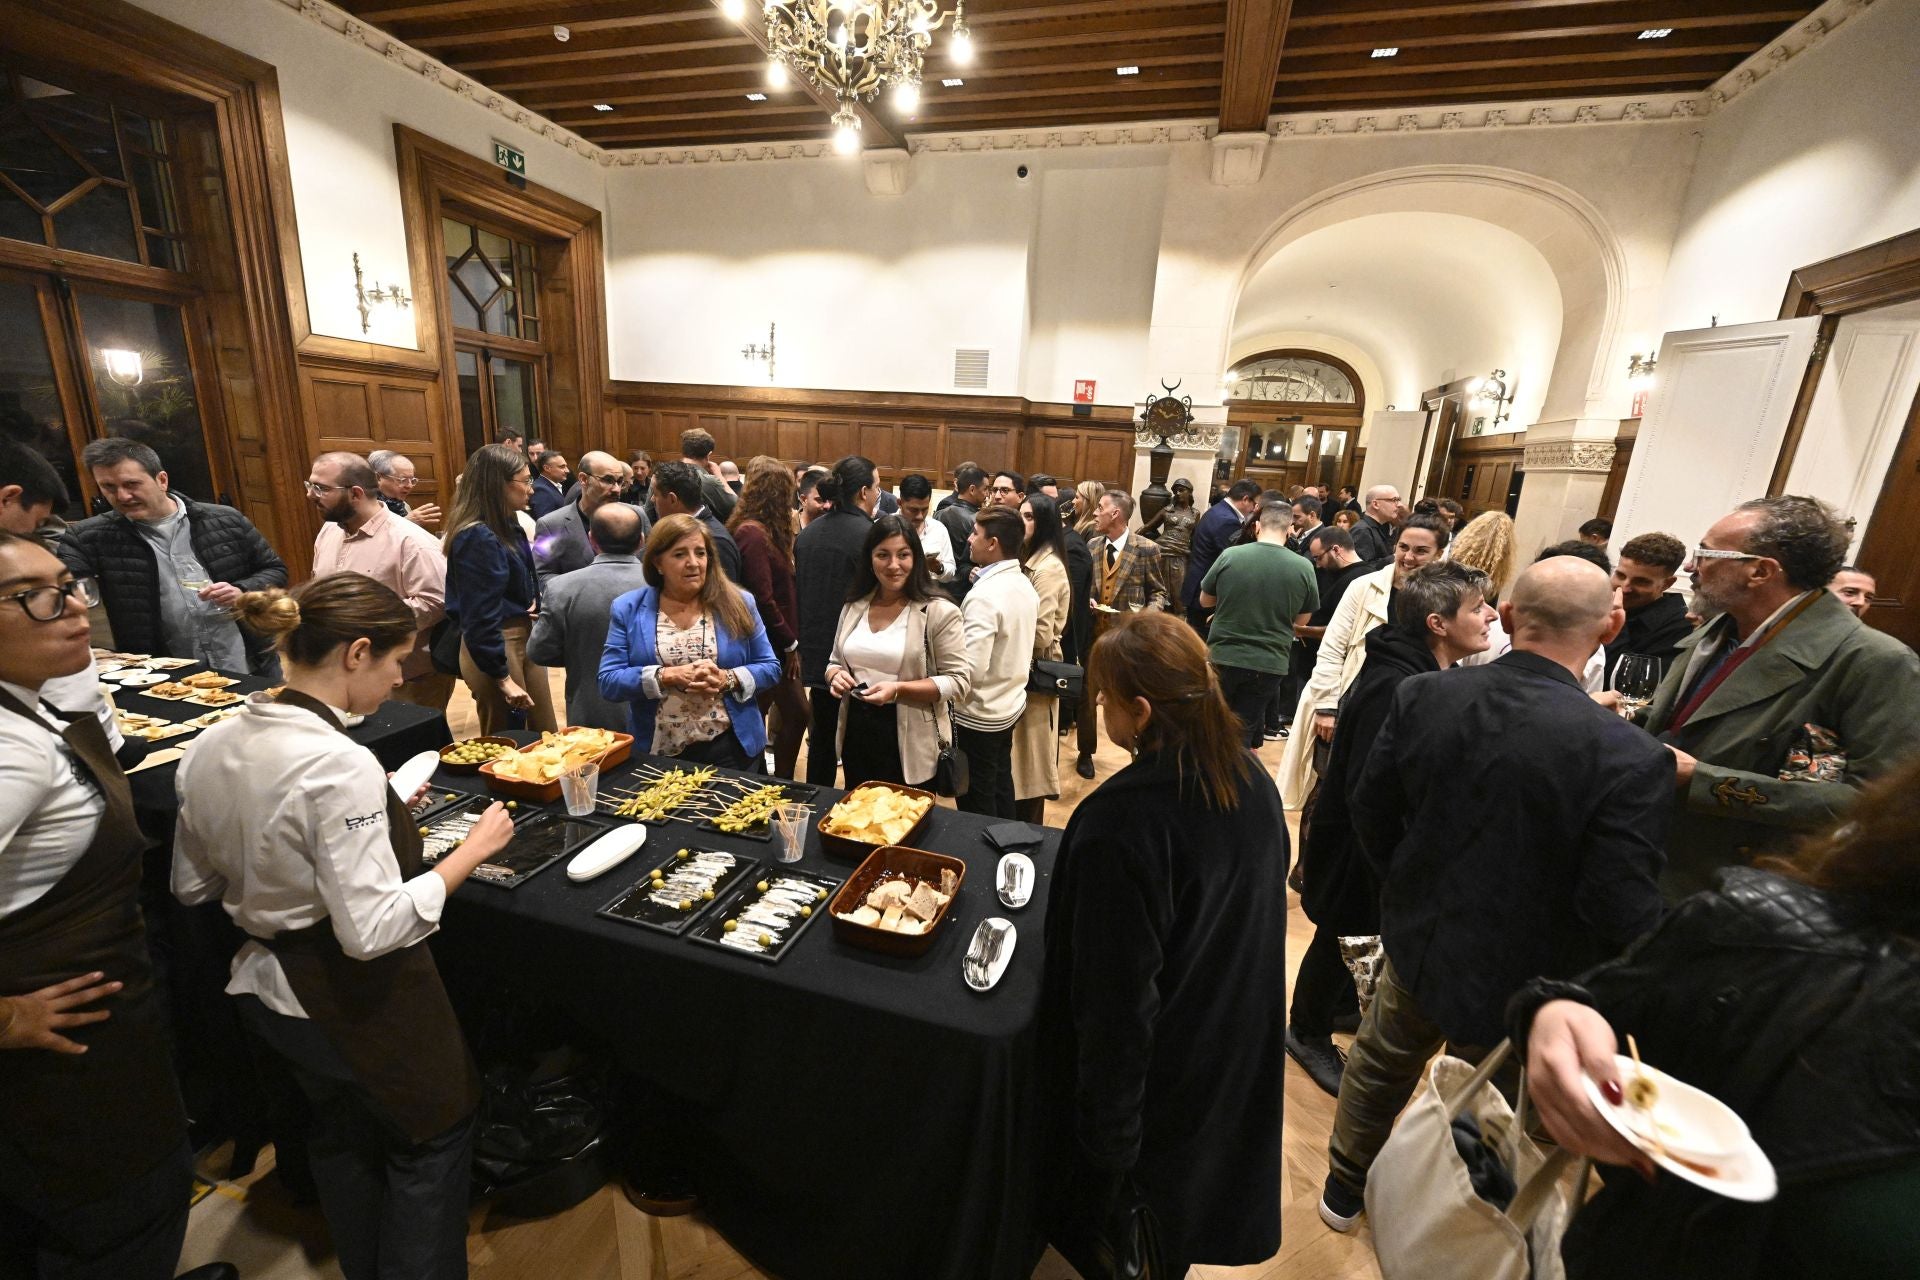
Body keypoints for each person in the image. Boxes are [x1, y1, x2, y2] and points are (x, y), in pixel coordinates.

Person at [174, 575, 515, 1280]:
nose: (400, 678)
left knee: (340, 1132)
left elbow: (191, 883)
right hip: (347, 994)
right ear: (357, 652)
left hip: (267, 995)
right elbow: (371, 929)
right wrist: (469, 853)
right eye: (397, 662)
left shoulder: (213, 743)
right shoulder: (339, 763)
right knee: (433, 1137)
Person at [1318, 556, 1672, 1233]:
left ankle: (1343, 1186)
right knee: (1494, 1107)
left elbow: (1369, 806)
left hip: (1423, 930)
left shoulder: (1424, 694)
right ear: (1612, 626)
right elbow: (1617, 904)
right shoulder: (1630, 755)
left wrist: (1407, 883)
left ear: (1508, 617)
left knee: (1380, 1061)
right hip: (1533, 971)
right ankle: (1457, 1227)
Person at [1512, 753, 1920, 1280]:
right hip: (1696, 898)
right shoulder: (1774, 938)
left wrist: (1704, 781)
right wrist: (1555, 1013)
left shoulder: (1869, 669)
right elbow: (1593, 1002)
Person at [0, 533, 238, 1280]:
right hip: (64, 1062)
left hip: (101, 1020)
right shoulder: (11, 752)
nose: (75, 609)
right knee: (125, 1216)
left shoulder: (26, 712)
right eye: (38, 596)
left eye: (72, 586)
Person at [1040, 612, 1287, 1280]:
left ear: (1141, 710)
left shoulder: (1125, 821)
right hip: (1219, 1065)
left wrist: (1106, 1150)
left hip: (1158, 1096)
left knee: (1134, 1246)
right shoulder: (1248, 777)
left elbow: (1115, 1003)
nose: (1100, 710)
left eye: (1105, 700)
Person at [1642, 495, 1920, 897]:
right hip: (1652, 860)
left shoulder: (1875, 661)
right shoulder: (1717, 632)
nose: (1690, 567)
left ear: (1760, 571)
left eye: (1705, 553)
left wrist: (1705, 781)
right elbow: (1682, 727)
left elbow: (1878, 808)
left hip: (1742, 888)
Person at [1286, 562, 1494, 1097]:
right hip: (1359, 842)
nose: (1491, 615)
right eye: (1477, 607)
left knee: (1348, 931)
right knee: (1343, 930)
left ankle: (1328, 1011)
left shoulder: (1411, 671)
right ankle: (1306, 1032)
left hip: (1365, 840)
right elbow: (1372, 786)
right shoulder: (1397, 683)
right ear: (1438, 623)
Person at [58, 437, 287, 677]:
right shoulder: (87, 537)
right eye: (109, 488)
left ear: (162, 480)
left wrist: (241, 591)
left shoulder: (225, 519)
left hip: (250, 661)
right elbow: (63, 589)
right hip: (165, 676)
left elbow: (274, 570)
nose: (123, 496)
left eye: (132, 484)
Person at [1276, 513, 1449, 808]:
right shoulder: (1364, 587)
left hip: (1412, 707)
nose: (1408, 557)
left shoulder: (1445, 597)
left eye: (1421, 551)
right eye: (1404, 547)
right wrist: (1327, 707)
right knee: (1330, 792)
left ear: (1439, 554)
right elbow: (1333, 648)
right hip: (1355, 702)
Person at [598, 514, 780, 768]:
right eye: (680, 554)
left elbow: (770, 668)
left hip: (731, 746)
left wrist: (727, 679)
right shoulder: (628, 608)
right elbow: (609, 681)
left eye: (700, 553)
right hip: (658, 752)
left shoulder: (739, 603)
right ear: (657, 563)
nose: (693, 563)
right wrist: (665, 676)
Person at [823, 516, 970, 789]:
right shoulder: (855, 605)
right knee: (859, 815)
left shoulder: (938, 611)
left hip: (911, 735)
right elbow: (834, 661)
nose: (893, 565)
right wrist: (834, 675)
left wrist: (898, 689)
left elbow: (959, 682)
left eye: (903, 555)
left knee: (905, 821)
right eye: (883, 555)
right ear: (870, 559)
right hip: (857, 728)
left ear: (916, 558)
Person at [308, 451, 452, 711]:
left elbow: (437, 602)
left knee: (409, 750)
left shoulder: (411, 541)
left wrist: (365, 620)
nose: (311, 495)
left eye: (321, 488)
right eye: (311, 486)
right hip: (340, 672)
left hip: (405, 680)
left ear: (356, 493)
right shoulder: (329, 530)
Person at [442, 443, 557, 735]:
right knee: (509, 741)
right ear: (498, 485)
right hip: (495, 643)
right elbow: (479, 616)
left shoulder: (507, 525)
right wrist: (501, 677)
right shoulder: (476, 536)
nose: (531, 489)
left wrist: (531, 600)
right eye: (525, 481)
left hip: (520, 636)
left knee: (543, 733)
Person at [1198, 502, 1318, 748]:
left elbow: (1204, 600)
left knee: (1212, 727)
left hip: (1224, 654)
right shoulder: (1303, 566)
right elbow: (1302, 621)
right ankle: (1235, 782)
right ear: (1290, 529)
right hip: (1270, 662)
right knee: (1243, 731)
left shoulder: (1231, 555)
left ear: (1256, 526)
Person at [795, 456, 881, 785]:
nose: (877, 495)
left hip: (817, 652)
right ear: (863, 491)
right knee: (859, 747)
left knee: (822, 742)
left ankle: (817, 809)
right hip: (858, 654)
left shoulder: (809, 532)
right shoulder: (870, 535)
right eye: (876, 488)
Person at [528, 504, 651, 732]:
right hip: (654, 709)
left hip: (591, 713)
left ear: (592, 540)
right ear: (642, 540)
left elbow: (539, 651)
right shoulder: (664, 586)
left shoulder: (560, 588)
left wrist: (579, 652)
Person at [1079, 489, 1172, 778]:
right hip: (1094, 638)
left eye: (1100, 508)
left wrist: (1145, 618)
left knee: (1133, 701)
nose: (1095, 513)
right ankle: (1085, 751)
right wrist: (1088, 601)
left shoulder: (1146, 548)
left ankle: (1139, 753)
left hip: (1129, 642)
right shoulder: (1092, 545)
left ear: (1115, 514)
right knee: (1087, 697)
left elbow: (1159, 593)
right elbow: (1085, 588)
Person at [953, 507, 1038, 818]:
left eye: (976, 533)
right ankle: (1006, 850)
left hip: (980, 714)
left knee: (976, 799)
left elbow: (970, 672)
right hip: (1009, 704)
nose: (969, 538)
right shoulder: (1023, 583)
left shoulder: (985, 596)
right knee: (1001, 783)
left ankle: (984, 859)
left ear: (993, 543)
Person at [728, 459, 808, 779]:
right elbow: (762, 598)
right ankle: (771, 781)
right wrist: (789, 643)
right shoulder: (752, 533)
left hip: (774, 641)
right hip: (768, 644)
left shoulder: (760, 531)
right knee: (791, 713)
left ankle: (768, 779)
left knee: (769, 712)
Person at [1013, 494, 1071, 823]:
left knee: (1030, 760)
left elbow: (1041, 635)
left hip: (1037, 672)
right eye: (1021, 515)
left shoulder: (1047, 568)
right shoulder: (1032, 559)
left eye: (1030, 517)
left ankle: (1027, 834)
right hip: (1026, 671)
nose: (1023, 522)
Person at [533, 450, 646, 586]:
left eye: (620, 482)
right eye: (608, 480)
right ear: (584, 479)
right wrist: (581, 591)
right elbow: (542, 575)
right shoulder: (551, 525)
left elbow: (651, 563)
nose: (617, 489)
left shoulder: (637, 515)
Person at [1603, 531, 1693, 684]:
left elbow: (1629, 685)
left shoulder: (1680, 628)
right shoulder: (1599, 604)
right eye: (1620, 576)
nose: (1625, 588)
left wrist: (1616, 621)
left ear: (1666, 584)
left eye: (1641, 582)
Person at [1181, 478, 1262, 630]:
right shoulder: (1227, 520)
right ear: (1245, 499)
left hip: (1198, 586)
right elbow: (1236, 558)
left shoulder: (1218, 510)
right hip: (1205, 592)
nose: (1254, 509)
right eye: (1255, 504)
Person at [650, 460, 742, 584]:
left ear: (672, 499)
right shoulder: (687, 530)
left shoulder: (716, 541)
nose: (652, 500)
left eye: (655, 494)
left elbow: (723, 598)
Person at [1140, 477, 1198, 592]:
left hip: (1181, 552)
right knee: (1158, 585)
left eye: (1181, 490)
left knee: (1178, 588)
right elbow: (1147, 527)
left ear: (1190, 492)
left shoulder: (1195, 513)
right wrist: (1129, 539)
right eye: (1175, 491)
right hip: (1162, 549)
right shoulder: (1167, 510)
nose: (1177, 493)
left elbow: (1194, 536)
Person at [896, 474, 955, 583]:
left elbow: (951, 571)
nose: (919, 516)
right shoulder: (882, 528)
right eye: (913, 510)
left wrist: (939, 568)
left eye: (924, 510)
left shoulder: (938, 529)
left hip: (927, 595)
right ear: (900, 503)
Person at [935, 462, 986, 587]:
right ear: (972, 489)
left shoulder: (938, 514)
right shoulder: (978, 521)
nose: (987, 494)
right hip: (964, 584)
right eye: (986, 489)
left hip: (938, 579)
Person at [368, 449, 441, 528]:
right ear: (378, 478)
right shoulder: (364, 506)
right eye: (402, 480)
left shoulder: (404, 506)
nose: (409, 486)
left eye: (412, 480)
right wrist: (407, 522)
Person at [678, 428, 737, 520]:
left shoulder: (659, 474)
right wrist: (719, 475)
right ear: (709, 455)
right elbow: (736, 505)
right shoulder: (708, 481)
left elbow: (649, 512)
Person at [1348, 484, 1401, 563]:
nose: (1399, 505)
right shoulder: (1362, 530)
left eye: (1399, 500)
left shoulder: (1383, 526)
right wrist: (1396, 557)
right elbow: (1364, 568)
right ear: (1375, 504)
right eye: (1394, 500)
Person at [528, 450, 569, 520]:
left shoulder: (550, 485)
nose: (567, 470)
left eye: (566, 466)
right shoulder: (540, 490)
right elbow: (546, 523)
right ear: (547, 468)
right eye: (562, 467)